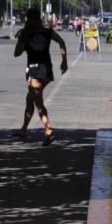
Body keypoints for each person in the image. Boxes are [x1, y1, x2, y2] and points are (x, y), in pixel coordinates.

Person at [13, 8, 67, 146]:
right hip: (47, 70)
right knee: (30, 98)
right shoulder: (47, 32)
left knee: (37, 99)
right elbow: (61, 42)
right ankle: (23, 130)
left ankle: (48, 129)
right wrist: (64, 61)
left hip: (34, 69)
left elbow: (16, 53)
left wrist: (25, 45)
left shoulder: (25, 33)